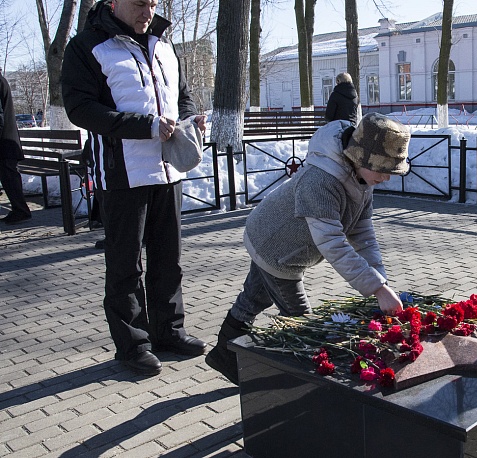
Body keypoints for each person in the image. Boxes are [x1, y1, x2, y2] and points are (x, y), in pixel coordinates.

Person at [205, 112, 409, 385]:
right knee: (301, 320)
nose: (386, 178)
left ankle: (223, 356)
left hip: (279, 245)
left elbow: (363, 234)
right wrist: (377, 289)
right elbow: (333, 244)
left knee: (252, 300)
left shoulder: (362, 180)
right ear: (361, 158)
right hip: (277, 251)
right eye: (384, 169)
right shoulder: (321, 182)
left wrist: (380, 282)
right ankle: (298, 385)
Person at [61, 0, 207, 376]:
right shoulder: (87, 46)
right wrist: (145, 126)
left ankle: (169, 332)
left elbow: (182, 94)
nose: (148, 11)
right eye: (140, 4)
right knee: (125, 265)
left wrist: (190, 121)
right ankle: (132, 344)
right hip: (122, 173)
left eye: (154, 3)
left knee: (168, 258)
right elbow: (81, 109)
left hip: (168, 171)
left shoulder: (163, 42)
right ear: (114, 2)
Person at [0, 73, 32, 225]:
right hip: (7, 140)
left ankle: (21, 211)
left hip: (4, 141)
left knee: (10, 177)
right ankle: (19, 210)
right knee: (9, 177)